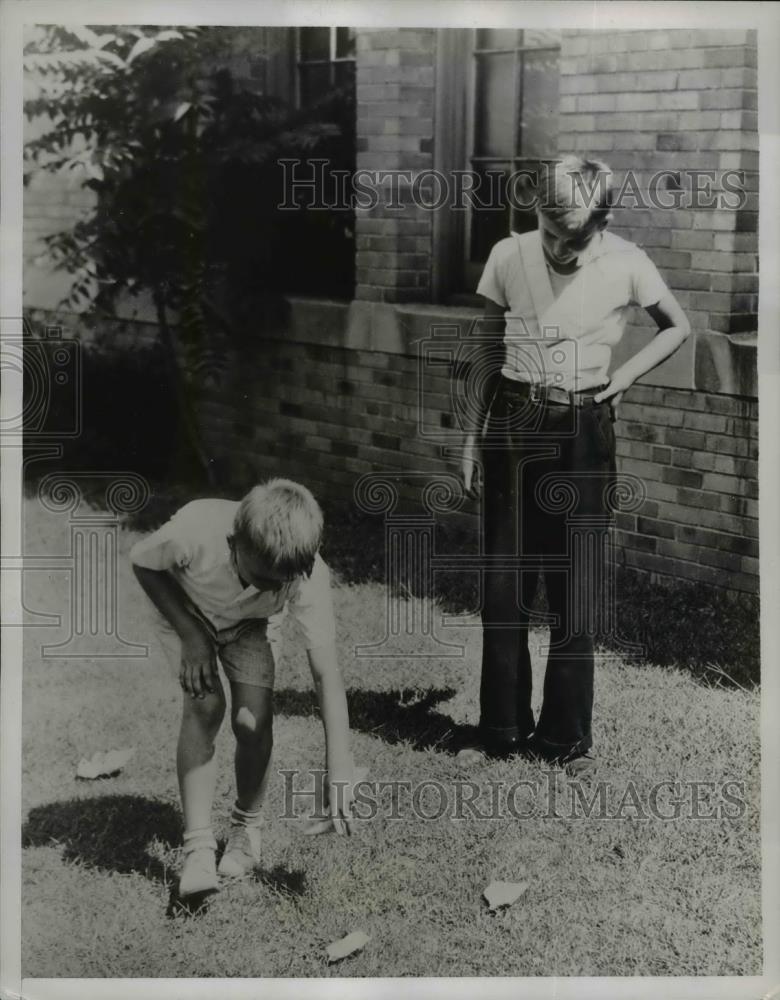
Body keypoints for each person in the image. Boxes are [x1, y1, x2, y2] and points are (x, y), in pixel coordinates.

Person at [459, 155, 691, 774]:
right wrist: (468, 440)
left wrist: (625, 378)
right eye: (549, 228)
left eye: (575, 235)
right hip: (512, 419)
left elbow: (677, 327)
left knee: (574, 582)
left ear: (604, 219)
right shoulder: (509, 255)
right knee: (504, 581)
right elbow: (485, 346)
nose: (559, 245)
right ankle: (502, 727)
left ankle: (565, 737)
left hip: (583, 428)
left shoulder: (628, 263)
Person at [130, 479, 354, 897]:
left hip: (251, 626)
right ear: (234, 543)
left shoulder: (307, 573)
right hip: (186, 611)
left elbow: (326, 673)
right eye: (260, 577)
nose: (266, 589)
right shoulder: (196, 529)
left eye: (278, 585)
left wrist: (338, 767)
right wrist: (192, 636)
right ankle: (198, 847)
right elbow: (144, 565)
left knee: (252, 721)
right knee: (206, 705)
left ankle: (246, 828)